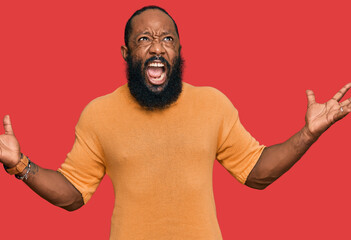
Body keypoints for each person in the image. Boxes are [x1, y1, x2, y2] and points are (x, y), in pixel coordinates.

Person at [1, 5, 350, 240]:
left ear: (179, 50)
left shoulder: (212, 103)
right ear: (126, 53)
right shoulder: (98, 113)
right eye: (144, 39)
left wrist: (308, 134)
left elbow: (257, 173)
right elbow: (73, 194)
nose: (157, 48)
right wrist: (20, 165)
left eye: (167, 39)